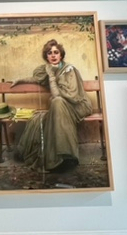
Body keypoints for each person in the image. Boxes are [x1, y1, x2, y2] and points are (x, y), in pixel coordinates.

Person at [11, 39, 92, 172]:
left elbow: (60, 95)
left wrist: (51, 76)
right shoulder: (48, 69)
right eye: (49, 53)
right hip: (60, 106)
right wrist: (20, 80)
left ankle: (66, 155)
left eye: (56, 52)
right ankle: (58, 158)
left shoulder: (69, 70)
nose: (53, 55)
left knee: (57, 102)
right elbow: (37, 79)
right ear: (46, 56)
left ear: (61, 55)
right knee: (40, 118)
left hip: (77, 105)